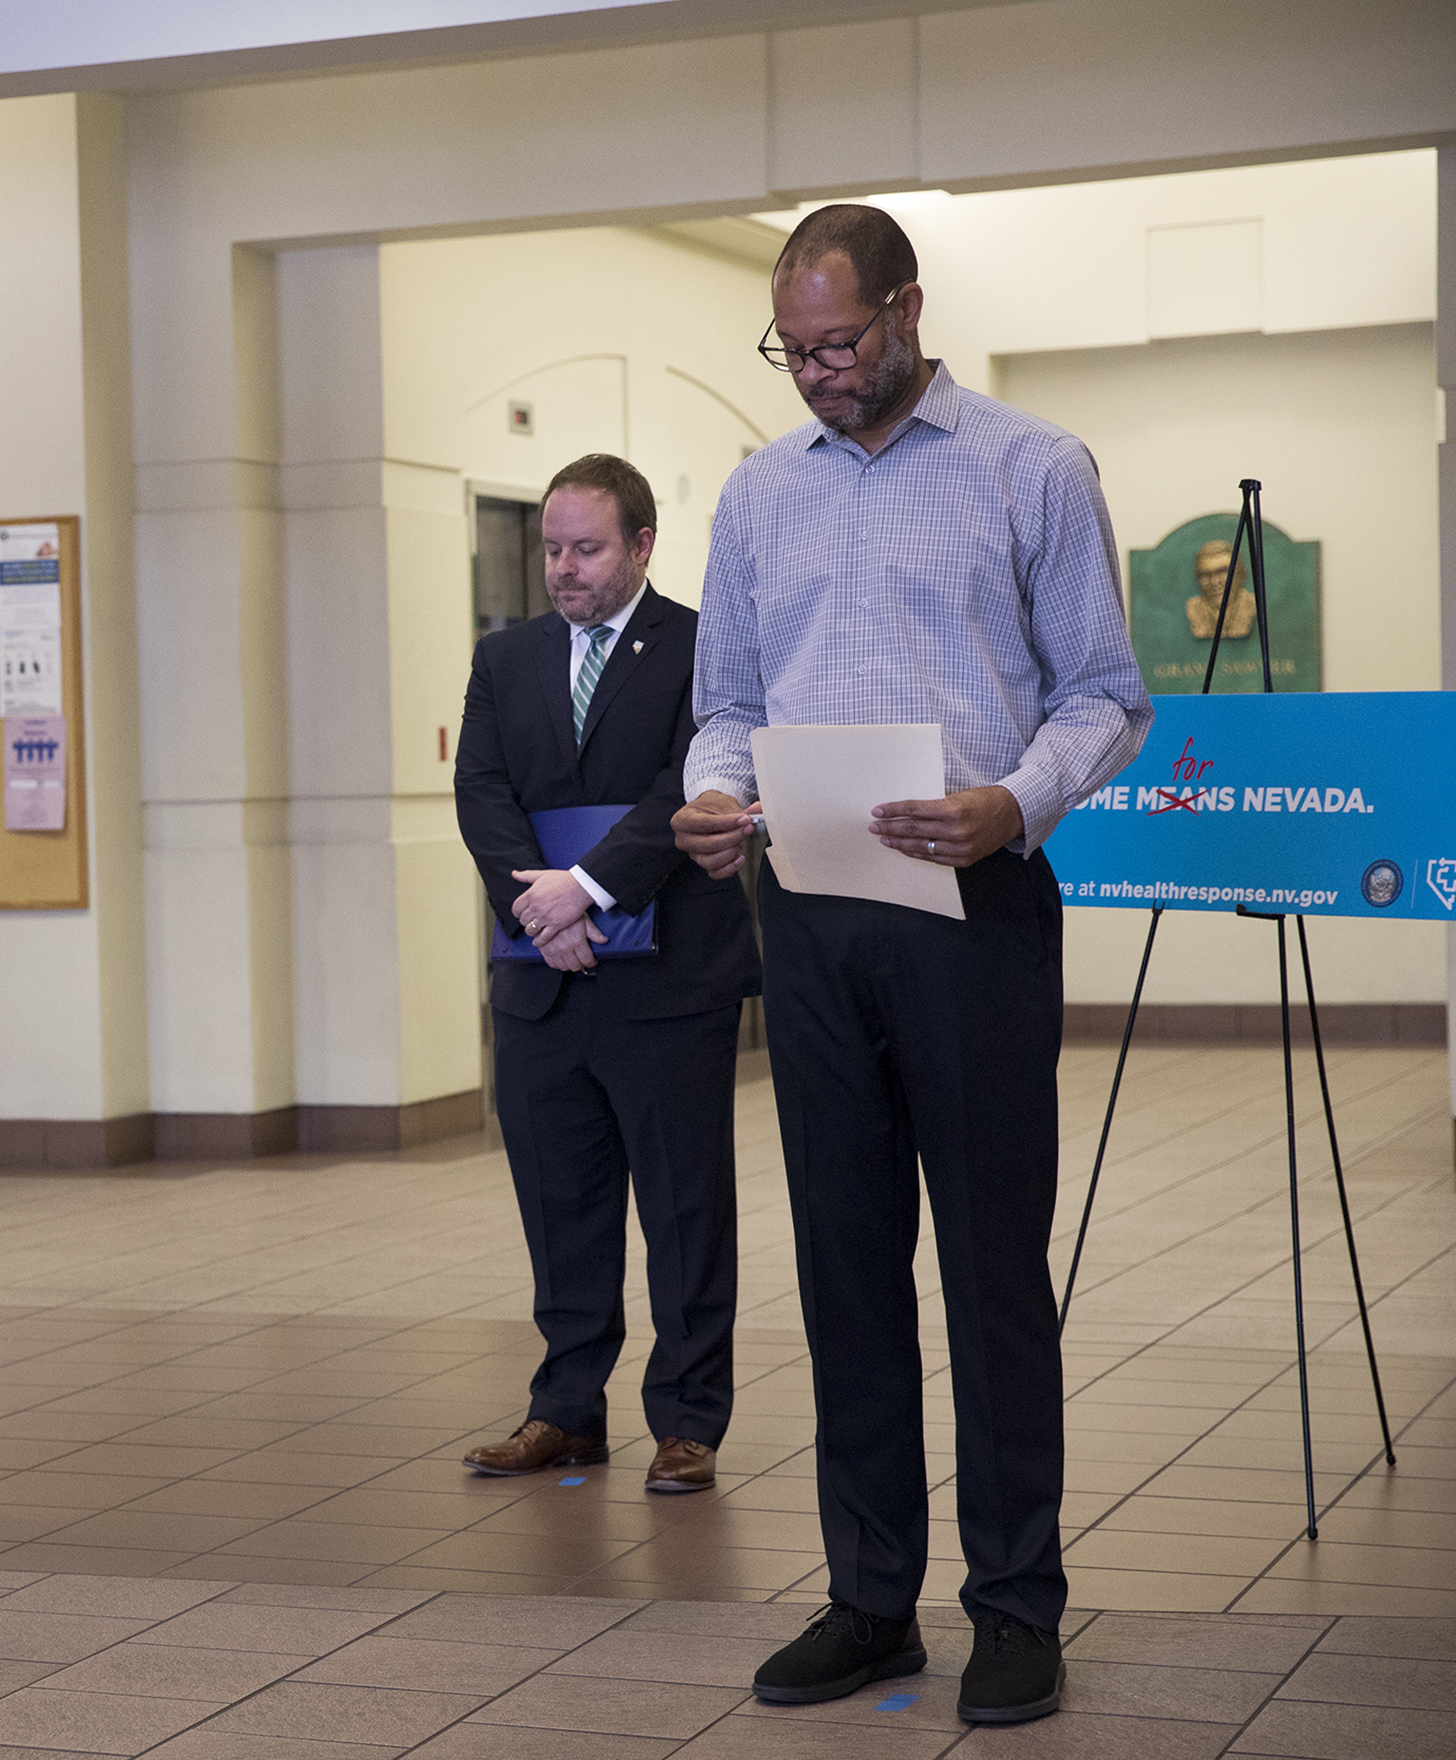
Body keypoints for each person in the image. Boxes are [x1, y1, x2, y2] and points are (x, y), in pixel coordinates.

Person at [672, 206, 1151, 1726]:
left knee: (993, 1270)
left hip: (978, 909)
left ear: (906, 307)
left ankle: (1014, 1604)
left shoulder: (1034, 467)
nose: (817, 373)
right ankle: (871, 1597)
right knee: (845, 1269)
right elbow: (728, 701)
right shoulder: (756, 499)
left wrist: (1014, 798)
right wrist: (708, 790)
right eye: (794, 350)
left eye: (842, 342)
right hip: (807, 913)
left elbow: (1104, 695)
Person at [453, 453, 761, 1493]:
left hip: (667, 974)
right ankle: (564, 1409)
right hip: (543, 977)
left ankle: (686, 1418)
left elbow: (687, 780)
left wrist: (584, 887)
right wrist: (536, 911)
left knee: (682, 1206)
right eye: (550, 547)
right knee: (560, 1198)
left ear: (640, 544)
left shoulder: (697, 647)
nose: (562, 568)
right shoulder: (509, 659)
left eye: (585, 547)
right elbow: (481, 791)